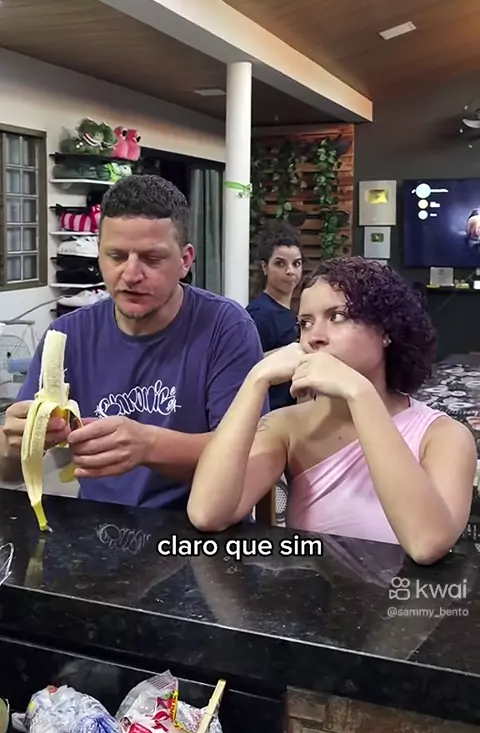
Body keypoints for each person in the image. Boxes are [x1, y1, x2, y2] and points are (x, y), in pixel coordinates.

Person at [1, 175, 267, 510]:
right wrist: (14, 445)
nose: (130, 274)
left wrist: (148, 446)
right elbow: (10, 472)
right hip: (97, 525)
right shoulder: (68, 334)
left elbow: (251, 455)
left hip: (199, 525)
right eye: (116, 256)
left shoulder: (225, 328)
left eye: (152, 259)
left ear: (185, 261)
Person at [187, 257, 477, 564]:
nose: (315, 337)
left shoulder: (444, 437)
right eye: (305, 323)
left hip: (405, 595)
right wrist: (256, 380)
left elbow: (426, 543)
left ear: (386, 330)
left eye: (337, 316)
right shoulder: (287, 428)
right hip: (312, 593)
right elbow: (208, 513)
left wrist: (360, 394)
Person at [247, 223, 302, 410]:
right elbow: (247, 364)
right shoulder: (259, 314)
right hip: (269, 413)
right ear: (265, 267)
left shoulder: (293, 312)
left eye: (296, 264)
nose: (290, 271)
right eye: (280, 263)